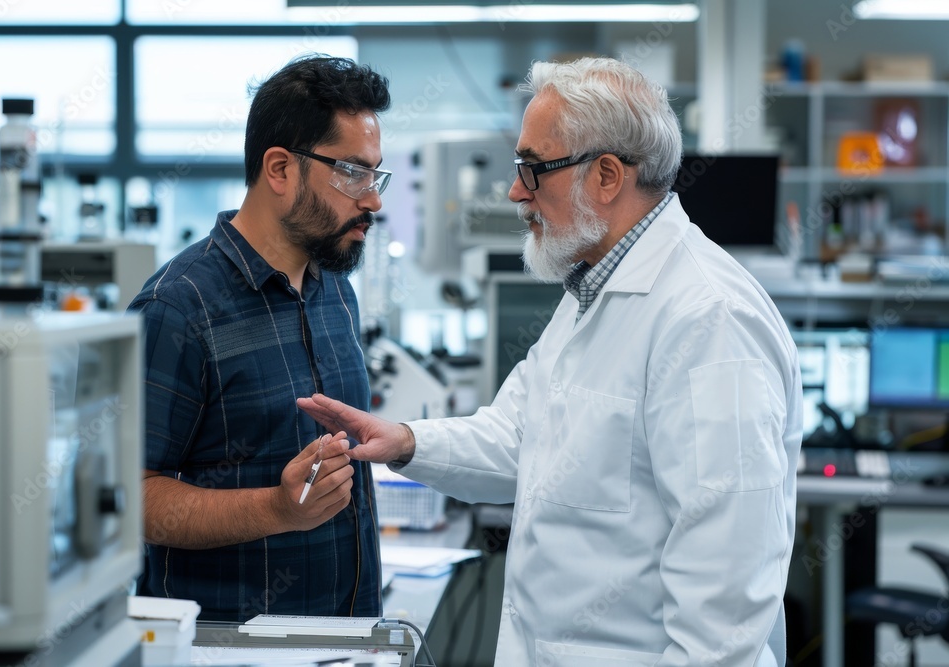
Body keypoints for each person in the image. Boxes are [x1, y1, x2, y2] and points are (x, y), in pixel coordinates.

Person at [298, 56, 803, 665]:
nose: (515, 192)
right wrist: (404, 441)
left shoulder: (708, 322)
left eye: (533, 170)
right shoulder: (590, 294)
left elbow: (725, 611)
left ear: (607, 177)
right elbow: (520, 436)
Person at [128, 54, 392, 622]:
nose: (373, 199)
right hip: (227, 649)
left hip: (346, 636)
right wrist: (276, 508)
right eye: (352, 172)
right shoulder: (178, 308)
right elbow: (130, 498)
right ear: (279, 169)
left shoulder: (334, 291)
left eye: (376, 175)